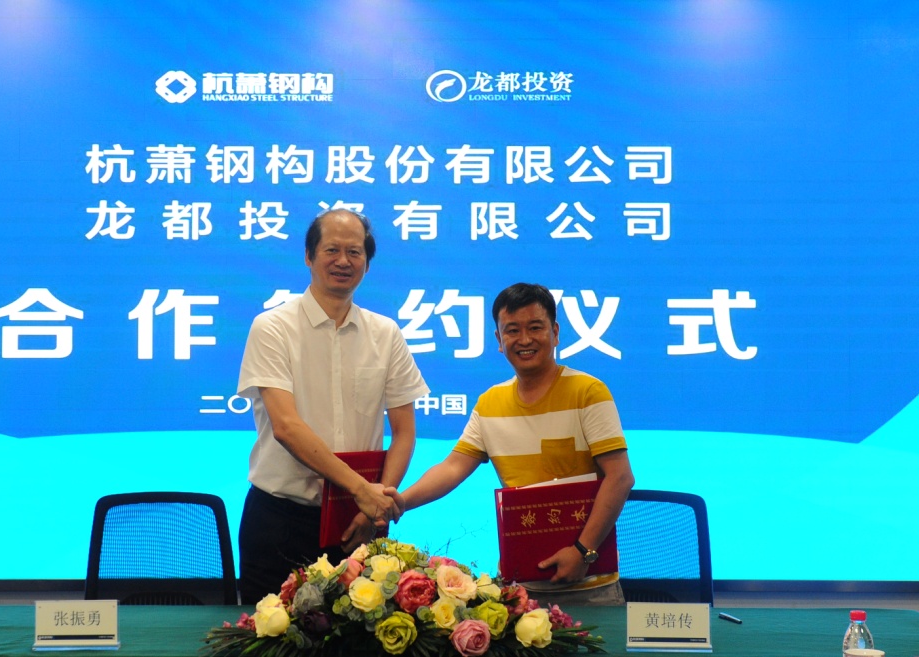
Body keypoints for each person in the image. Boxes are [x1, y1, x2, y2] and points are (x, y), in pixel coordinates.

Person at [236, 209, 429, 604]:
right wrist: (363, 490)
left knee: (358, 632)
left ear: (367, 263)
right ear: (309, 256)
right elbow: (286, 427)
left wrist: (377, 507)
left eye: (355, 252)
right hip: (281, 521)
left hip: (356, 523)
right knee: (267, 632)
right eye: (332, 250)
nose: (343, 261)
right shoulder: (273, 327)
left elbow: (404, 432)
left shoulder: (386, 333)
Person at [397, 282, 634, 606]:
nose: (524, 339)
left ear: (555, 332)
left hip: (589, 585)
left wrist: (583, 551)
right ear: (499, 339)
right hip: (519, 588)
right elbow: (451, 468)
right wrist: (400, 502)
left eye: (535, 327)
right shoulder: (490, 403)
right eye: (512, 330)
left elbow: (620, 477)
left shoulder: (588, 392)